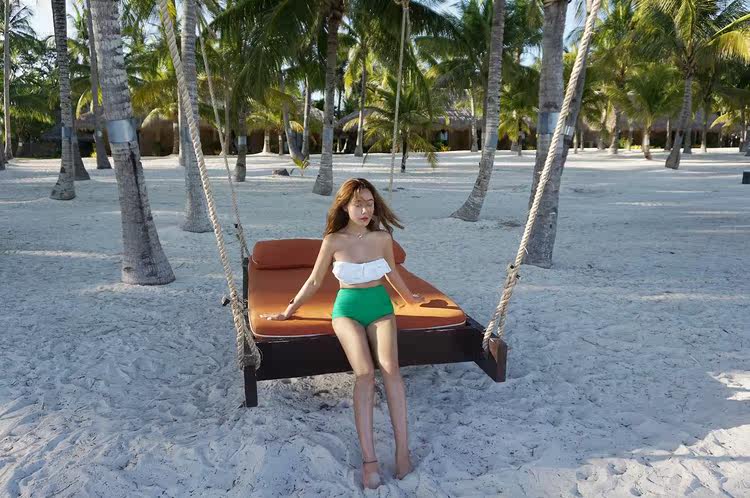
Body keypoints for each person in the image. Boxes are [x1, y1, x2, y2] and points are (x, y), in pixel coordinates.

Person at [261, 177, 426, 489]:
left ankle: (402, 453)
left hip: (380, 308)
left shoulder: (382, 238)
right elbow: (314, 281)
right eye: (358, 204)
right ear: (345, 207)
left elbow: (392, 273)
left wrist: (410, 299)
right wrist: (288, 310)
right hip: (347, 311)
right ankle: (369, 461)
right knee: (364, 374)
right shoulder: (333, 241)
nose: (365, 210)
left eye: (370, 203)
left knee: (391, 370)